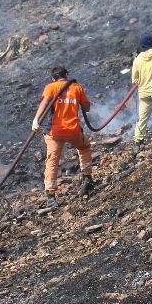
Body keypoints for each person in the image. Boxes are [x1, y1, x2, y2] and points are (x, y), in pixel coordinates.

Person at [31, 66, 94, 208]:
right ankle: (87, 177)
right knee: (84, 147)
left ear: (53, 78)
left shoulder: (50, 87)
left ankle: (51, 196)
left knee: (52, 161)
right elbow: (87, 107)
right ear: (67, 75)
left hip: (54, 133)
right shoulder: (76, 87)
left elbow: (45, 102)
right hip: (73, 131)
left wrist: (36, 120)